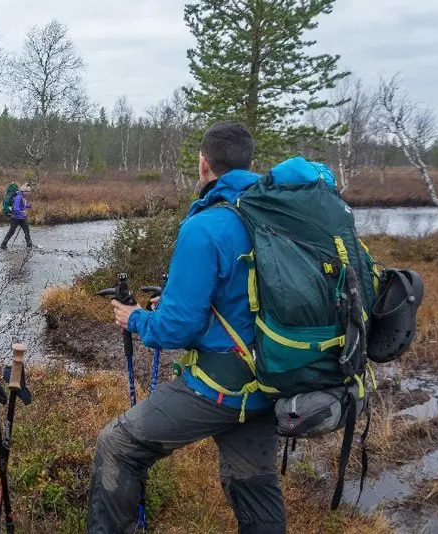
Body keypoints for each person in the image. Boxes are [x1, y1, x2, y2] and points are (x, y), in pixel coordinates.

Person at [87, 122, 286, 534]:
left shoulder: (206, 225)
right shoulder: (277, 218)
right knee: (254, 483)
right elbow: (249, 298)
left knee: (117, 446)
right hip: (272, 379)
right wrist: (176, 304)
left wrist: (136, 319)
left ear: (203, 165)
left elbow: (176, 329)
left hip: (221, 387)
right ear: (252, 164)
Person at [0, 183, 33, 250]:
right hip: (15, 218)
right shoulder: (18, 197)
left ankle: (29, 245)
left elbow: (22, 206)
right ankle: (3, 245)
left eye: (29, 192)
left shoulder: (22, 197)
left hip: (21, 218)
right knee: (11, 231)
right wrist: (22, 214)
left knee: (27, 230)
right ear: (24, 191)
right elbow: (16, 208)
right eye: (28, 192)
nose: (29, 193)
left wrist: (28, 206)